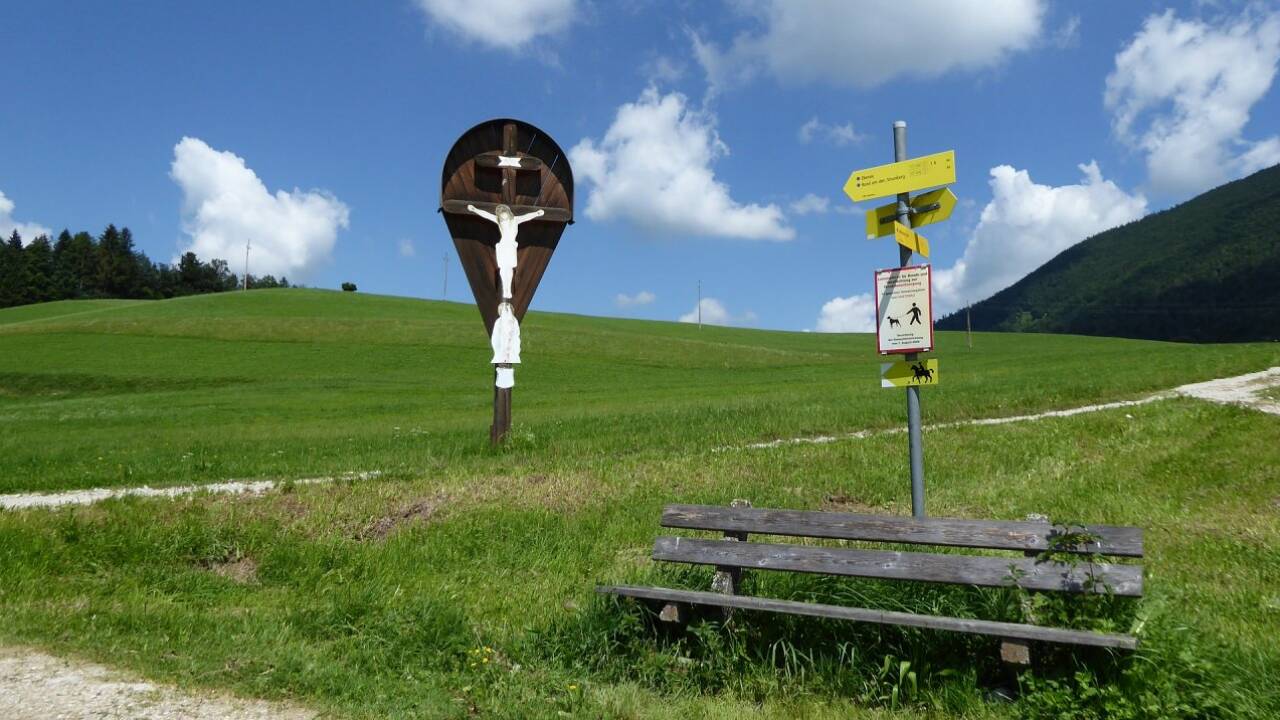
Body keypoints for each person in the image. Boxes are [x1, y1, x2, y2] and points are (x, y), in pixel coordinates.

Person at [467, 203, 544, 299]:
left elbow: (526, 217)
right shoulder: (499, 221)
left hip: (511, 246)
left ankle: (508, 289)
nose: (504, 220)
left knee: (509, 268)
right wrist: (475, 210)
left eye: (505, 217)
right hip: (503, 245)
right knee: (503, 268)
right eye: (502, 218)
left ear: (509, 214)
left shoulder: (515, 220)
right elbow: (487, 215)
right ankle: (505, 289)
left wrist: (536, 213)